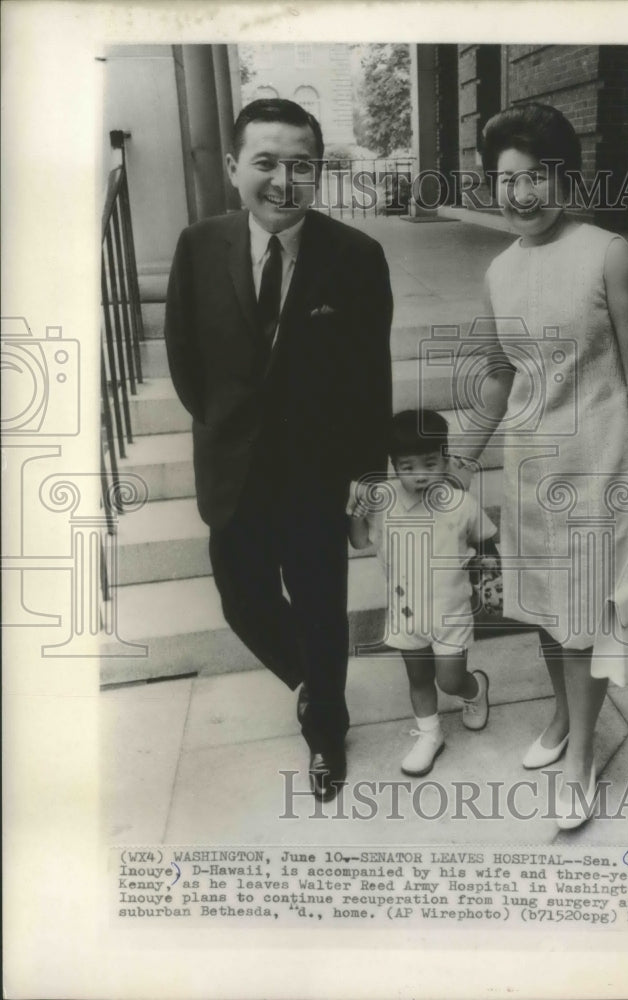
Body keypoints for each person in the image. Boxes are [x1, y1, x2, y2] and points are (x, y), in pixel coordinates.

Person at [163, 99, 393, 801]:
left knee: (322, 604)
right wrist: (224, 427)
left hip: (315, 475)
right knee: (243, 599)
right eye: (266, 162)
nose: (283, 179)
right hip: (233, 467)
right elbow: (184, 358)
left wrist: (364, 482)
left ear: (319, 172)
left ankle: (327, 727)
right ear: (235, 167)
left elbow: (368, 381)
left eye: (301, 164)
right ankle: (312, 681)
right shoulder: (198, 246)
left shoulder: (355, 257)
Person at [454, 104, 628, 828]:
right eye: (505, 181)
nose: (520, 196)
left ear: (565, 178)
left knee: (583, 624)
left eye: (537, 177)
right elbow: (497, 376)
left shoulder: (609, 253)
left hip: (600, 466)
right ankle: (562, 717)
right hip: (530, 471)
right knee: (549, 618)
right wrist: (461, 456)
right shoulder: (499, 269)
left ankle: (581, 756)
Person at [348, 410, 497, 776]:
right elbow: (359, 541)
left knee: (448, 679)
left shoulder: (461, 504)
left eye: (430, 463)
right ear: (394, 466)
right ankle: (430, 735)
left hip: (451, 611)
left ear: (445, 458)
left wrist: (491, 580)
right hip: (406, 612)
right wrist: (355, 512)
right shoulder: (384, 503)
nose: (420, 474)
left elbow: (487, 541)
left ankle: (475, 690)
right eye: (407, 466)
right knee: (418, 678)